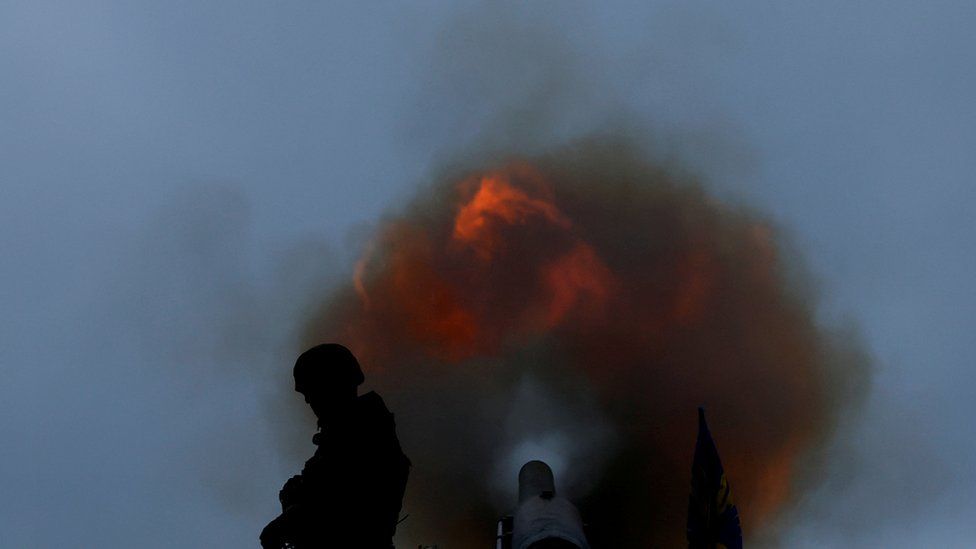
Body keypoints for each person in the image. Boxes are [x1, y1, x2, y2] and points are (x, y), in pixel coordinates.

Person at [261, 344, 410, 548]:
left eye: (311, 390)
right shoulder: (349, 435)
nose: (307, 401)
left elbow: (342, 504)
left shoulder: (362, 434)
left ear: (331, 385)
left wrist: (291, 510)